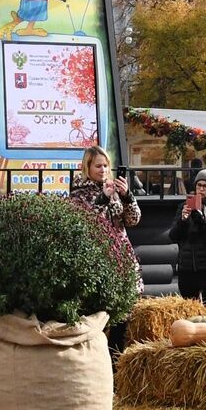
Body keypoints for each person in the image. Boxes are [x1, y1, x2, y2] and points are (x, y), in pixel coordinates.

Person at [69, 146, 141, 355]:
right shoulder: (79, 194)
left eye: (106, 165)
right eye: (98, 166)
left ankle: (116, 363)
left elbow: (133, 219)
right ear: (87, 167)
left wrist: (127, 196)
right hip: (97, 259)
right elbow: (85, 223)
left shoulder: (115, 191)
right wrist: (101, 199)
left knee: (122, 316)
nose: (103, 170)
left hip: (121, 258)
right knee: (97, 315)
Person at [174, 168, 206, 312]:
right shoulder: (184, 207)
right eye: (199, 185)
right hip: (187, 266)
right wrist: (183, 220)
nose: (201, 189)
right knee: (189, 312)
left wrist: (203, 220)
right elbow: (173, 236)